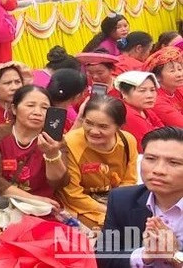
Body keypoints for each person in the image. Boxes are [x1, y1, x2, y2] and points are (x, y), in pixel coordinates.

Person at [99, 126, 183, 267]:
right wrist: (145, 255)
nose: (158, 170)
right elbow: (104, 256)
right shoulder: (122, 199)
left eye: (174, 162)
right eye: (150, 159)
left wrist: (174, 255)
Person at [0, 85, 69, 205]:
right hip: (1, 206)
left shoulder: (55, 141)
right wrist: (34, 200)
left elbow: (59, 183)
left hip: (42, 210)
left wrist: (51, 154)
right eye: (30, 105)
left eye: (45, 108)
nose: (37, 112)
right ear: (14, 109)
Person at [59, 96, 138, 229]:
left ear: (119, 126)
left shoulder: (127, 141)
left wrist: (118, 206)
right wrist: (109, 210)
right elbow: (73, 195)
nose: (94, 131)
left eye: (103, 126)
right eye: (88, 123)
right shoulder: (71, 143)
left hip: (115, 201)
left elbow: (129, 182)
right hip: (82, 207)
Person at [115, 71, 164, 152]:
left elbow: (166, 132)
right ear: (124, 93)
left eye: (152, 90)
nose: (150, 95)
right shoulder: (127, 114)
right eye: (142, 90)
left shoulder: (145, 110)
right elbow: (149, 147)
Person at [145, 47, 183, 128]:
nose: (179, 74)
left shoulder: (178, 89)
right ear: (157, 76)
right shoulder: (156, 99)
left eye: (180, 69)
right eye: (172, 71)